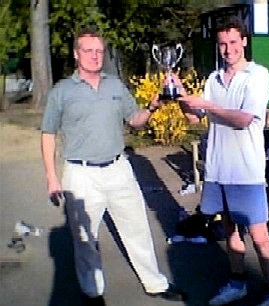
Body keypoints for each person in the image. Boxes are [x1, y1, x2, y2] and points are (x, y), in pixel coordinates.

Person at [40, 26, 186, 305]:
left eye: (99, 51)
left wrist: (153, 106)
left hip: (119, 169)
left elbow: (134, 120)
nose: (94, 56)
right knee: (84, 240)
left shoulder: (115, 86)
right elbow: (48, 133)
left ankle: (154, 283)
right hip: (80, 174)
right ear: (76, 54)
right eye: (88, 50)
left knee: (137, 228)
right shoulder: (62, 91)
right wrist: (51, 176)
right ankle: (92, 292)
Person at [176, 18, 269, 306]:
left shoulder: (258, 76)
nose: (228, 49)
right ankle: (238, 283)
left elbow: (243, 119)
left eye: (233, 42)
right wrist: (180, 95)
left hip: (247, 172)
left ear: (244, 42)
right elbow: (194, 118)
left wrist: (206, 105)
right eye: (222, 44)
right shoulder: (214, 79)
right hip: (218, 171)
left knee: (260, 238)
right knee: (230, 232)